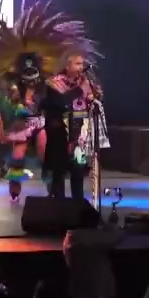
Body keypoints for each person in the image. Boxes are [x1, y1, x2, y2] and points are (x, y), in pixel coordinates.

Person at [0, 0, 97, 201]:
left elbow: (54, 104)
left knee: (46, 149)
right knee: (18, 155)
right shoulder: (13, 88)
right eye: (26, 74)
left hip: (43, 124)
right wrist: (10, 117)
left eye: (34, 73)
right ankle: (15, 188)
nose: (31, 78)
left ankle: (52, 186)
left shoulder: (47, 85)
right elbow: (3, 110)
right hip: (22, 125)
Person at [48, 53, 110, 200]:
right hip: (60, 132)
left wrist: (95, 96)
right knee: (58, 173)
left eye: (82, 64)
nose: (81, 67)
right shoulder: (54, 83)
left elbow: (95, 100)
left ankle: (78, 205)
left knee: (78, 170)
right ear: (67, 66)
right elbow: (61, 102)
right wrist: (80, 89)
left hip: (79, 135)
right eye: (77, 64)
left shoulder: (86, 81)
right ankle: (59, 206)